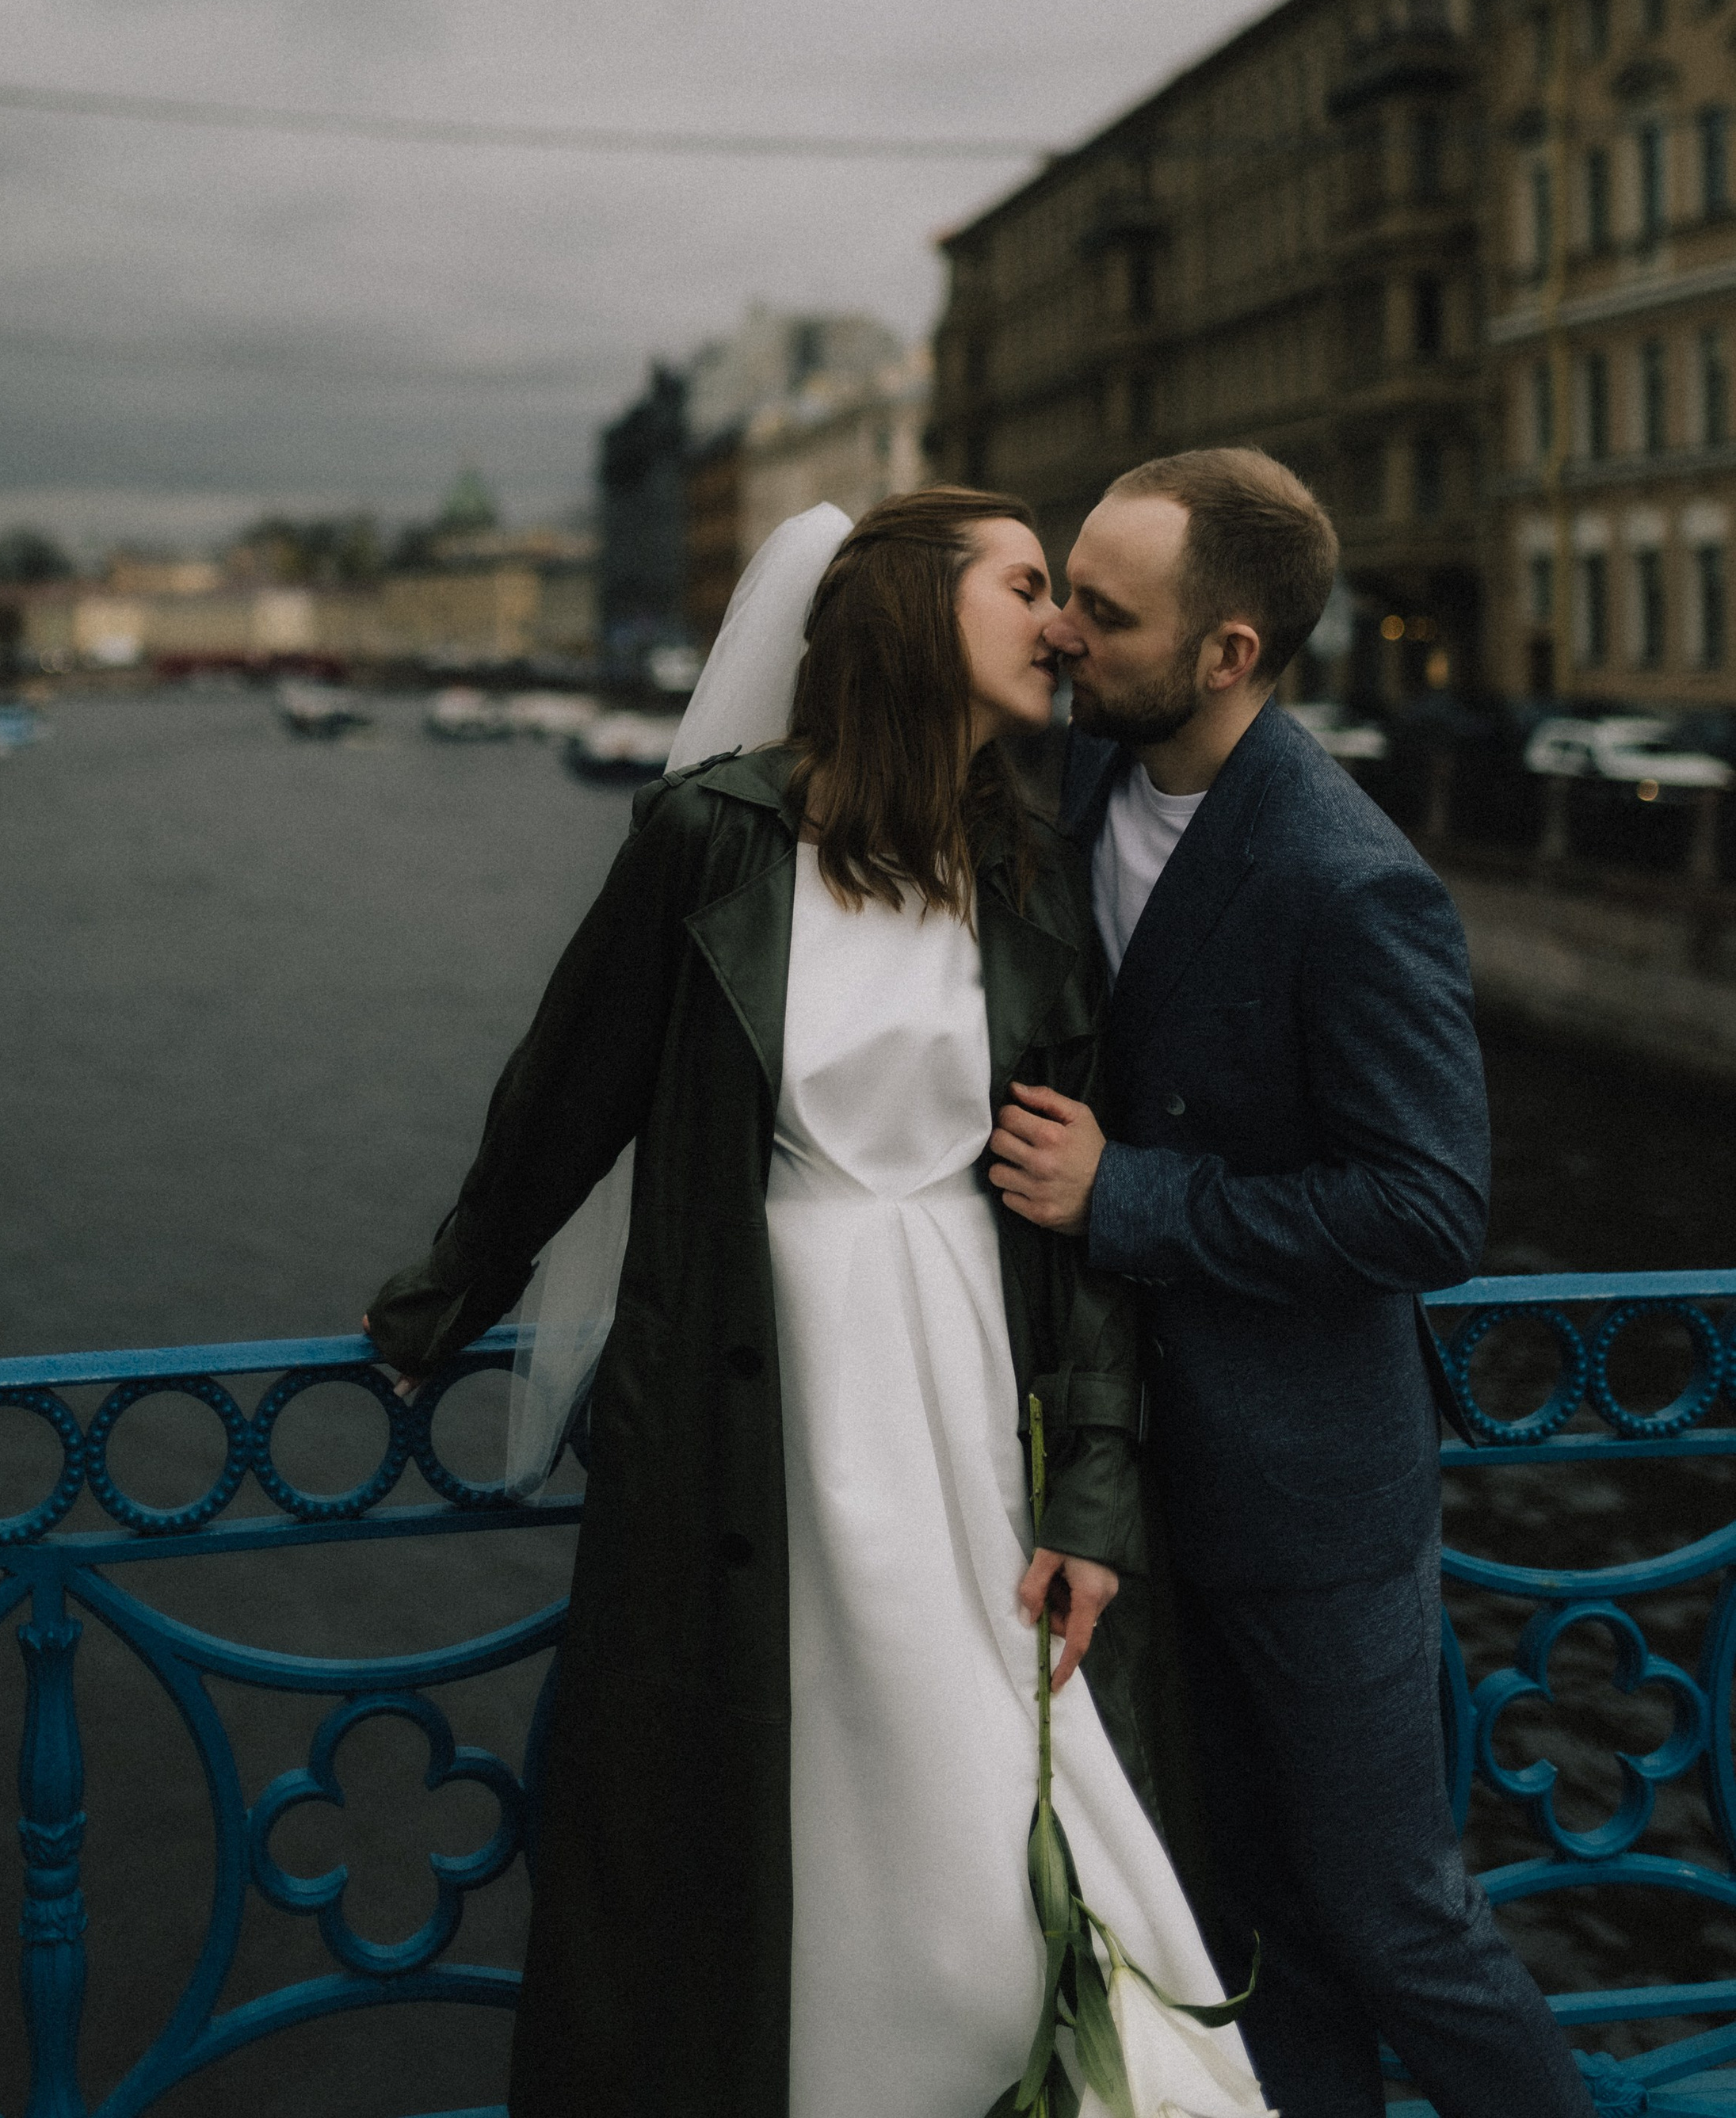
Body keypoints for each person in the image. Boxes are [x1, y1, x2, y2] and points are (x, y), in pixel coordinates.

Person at [363, 488, 1267, 2118]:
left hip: (975, 1417)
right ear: (916, 614)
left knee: (995, 1837)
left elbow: (1078, 1240)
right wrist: (442, 1299)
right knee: (789, 1830)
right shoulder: (710, 837)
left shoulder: (1029, 869)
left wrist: (1096, 1486)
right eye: (1023, 587)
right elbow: (564, 1097)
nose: (1058, 625)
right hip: (757, 1413)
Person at [1013, 444, 1598, 2118]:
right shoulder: (1075, 784)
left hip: (1306, 1497)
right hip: (1137, 1496)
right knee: (1241, 1925)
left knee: (1392, 1918)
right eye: (1058, 586)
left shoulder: (1349, 876)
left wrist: (1125, 1192)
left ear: (1228, 655)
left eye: (1102, 612)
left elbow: (1425, 1208)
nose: (1061, 629)